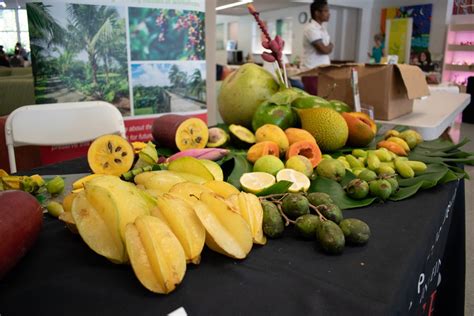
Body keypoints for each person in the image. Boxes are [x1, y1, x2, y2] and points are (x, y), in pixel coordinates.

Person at [301, 0, 333, 70]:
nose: (329, 14)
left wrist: (329, 47)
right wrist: (330, 46)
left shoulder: (323, 29)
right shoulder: (311, 28)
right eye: (326, 11)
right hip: (311, 70)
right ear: (317, 13)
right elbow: (324, 50)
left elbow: (328, 47)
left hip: (322, 70)